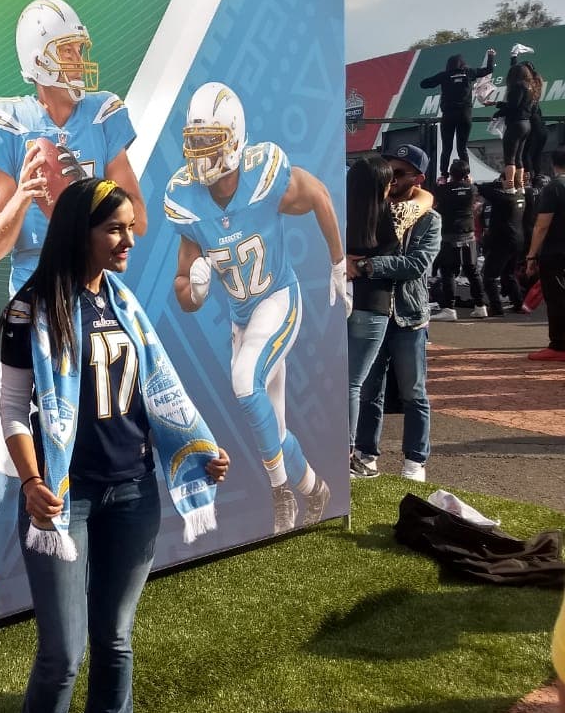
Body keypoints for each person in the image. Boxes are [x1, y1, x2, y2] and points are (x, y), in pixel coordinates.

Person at [0, 177, 229, 713]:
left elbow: (155, 392)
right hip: (62, 499)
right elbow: (13, 410)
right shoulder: (30, 307)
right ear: (83, 232)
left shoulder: (123, 302)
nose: (129, 239)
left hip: (133, 490)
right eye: (115, 229)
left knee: (116, 639)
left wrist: (199, 450)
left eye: (129, 226)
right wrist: (29, 482)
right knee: (64, 653)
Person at [0, 0, 146, 634]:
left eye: (81, 48)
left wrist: (82, 197)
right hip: (37, 309)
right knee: (15, 458)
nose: (80, 61)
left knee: (104, 438)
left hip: (97, 301)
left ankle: (86, 568)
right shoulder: (7, 120)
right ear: (37, 57)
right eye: (68, 49)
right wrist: (29, 195)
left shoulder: (104, 112)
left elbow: (132, 209)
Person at [165, 82, 340, 533]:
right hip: (243, 319)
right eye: (195, 142)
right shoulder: (186, 202)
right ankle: (315, 489)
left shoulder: (265, 177)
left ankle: (280, 493)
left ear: (236, 138)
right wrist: (197, 291)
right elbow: (184, 291)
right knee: (274, 432)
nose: (201, 153)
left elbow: (318, 193)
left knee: (245, 381)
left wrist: (339, 262)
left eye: (211, 141)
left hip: (279, 299)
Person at [348, 144, 440, 481]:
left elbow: (416, 264)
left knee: (413, 390)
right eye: (389, 171)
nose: (393, 178)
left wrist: (368, 266)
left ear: (418, 178)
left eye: (400, 173)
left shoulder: (429, 218)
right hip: (373, 312)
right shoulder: (373, 208)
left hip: (407, 315)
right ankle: (365, 455)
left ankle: (415, 460)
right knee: (370, 390)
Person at [418, 48, 496, 174]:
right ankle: (466, 176)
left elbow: (424, 84)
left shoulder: (444, 75)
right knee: (462, 148)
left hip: (448, 115)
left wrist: (438, 79)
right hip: (465, 115)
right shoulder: (469, 72)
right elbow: (488, 70)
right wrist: (491, 56)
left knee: (446, 148)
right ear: (463, 63)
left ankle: (443, 175)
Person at [524, 147, 565, 361]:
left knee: (557, 299)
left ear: (553, 164)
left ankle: (558, 346)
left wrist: (531, 255)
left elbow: (542, 225)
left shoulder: (554, 187)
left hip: (556, 254)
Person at [433, 160, 487, 320]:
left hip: (449, 234)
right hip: (469, 234)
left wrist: (442, 184)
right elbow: (475, 199)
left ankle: (449, 308)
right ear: (466, 174)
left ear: (450, 174)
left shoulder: (443, 189)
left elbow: (436, 203)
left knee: (448, 271)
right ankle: (480, 305)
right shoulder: (472, 188)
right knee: (472, 270)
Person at [476, 174, 527, 316]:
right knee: (509, 274)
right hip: (517, 239)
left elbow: (482, 188)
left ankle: (496, 307)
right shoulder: (520, 197)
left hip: (502, 241)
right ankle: (518, 303)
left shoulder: (503, 199)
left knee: (489, 276)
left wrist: (499, 185)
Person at [495, 62, 533, 190]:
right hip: (526, 123)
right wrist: (500, 104)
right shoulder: (529, 87)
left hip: (515, 124)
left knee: (509, 157)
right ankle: (520, 186)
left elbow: (512, 106)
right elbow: (521, 105)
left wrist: (498, 113)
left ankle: (510, 187)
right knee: (519, 157)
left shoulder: (517, 86)